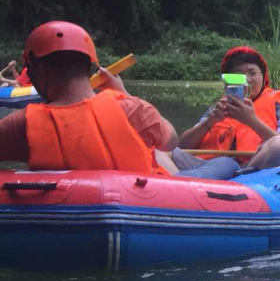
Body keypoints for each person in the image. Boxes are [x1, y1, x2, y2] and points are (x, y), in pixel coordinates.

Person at [0, 21, 238, 178]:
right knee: (228, 165)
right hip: (143, 206)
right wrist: (124, 94)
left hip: (64, 221)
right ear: (89, 65)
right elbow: (170, 141)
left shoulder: (21, 125)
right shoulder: (130, 108)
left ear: (36, 72)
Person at [177, 46, 280, 172]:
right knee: (162, 151)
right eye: (239, 75)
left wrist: (251, 120)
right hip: (204, 164)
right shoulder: (219, 107)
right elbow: (181, 146)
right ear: (228, 80)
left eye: (253, 73)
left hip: (251, 166)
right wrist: (208, 123)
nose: (247, 80)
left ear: (263, 76)